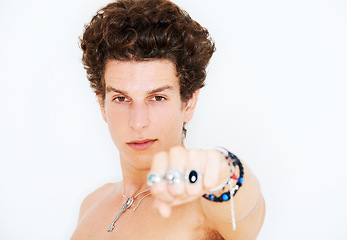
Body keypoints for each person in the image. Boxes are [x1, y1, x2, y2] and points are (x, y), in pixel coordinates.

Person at [71, 0, 265, 239]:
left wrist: (223, 173)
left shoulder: (205, 206)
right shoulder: (90, 204)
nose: (138, 122)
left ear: (188, 103)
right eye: (121, 99)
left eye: (158, 97)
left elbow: (247, 206)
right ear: (102, 104)